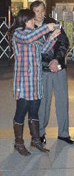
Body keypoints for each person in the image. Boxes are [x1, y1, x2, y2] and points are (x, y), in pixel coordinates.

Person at [9, 9, 61, 155]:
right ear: (25, 21)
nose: (34, 22)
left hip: (35, 81)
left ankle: (35, 140)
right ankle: (18, 143)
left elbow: (43, 50)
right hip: (24, 82)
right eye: (32, 19)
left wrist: (52, 37)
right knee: (21, 112)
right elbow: (28, 39)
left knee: (34, 112)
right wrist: (47, 27)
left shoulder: (34, 36)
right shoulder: (19, 34)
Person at [31, 1, 74, 145]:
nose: (40, 14)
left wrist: (56, 60)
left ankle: (63, 133)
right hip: (42, 70)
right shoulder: (30, 28)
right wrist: (47, 63)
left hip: (58, 68)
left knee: (62, 100)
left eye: (42, 10)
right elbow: (33, 51)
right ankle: (40, 133)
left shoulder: (53, 23)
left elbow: (64, 42)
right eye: (37, 11)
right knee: (43, 103)